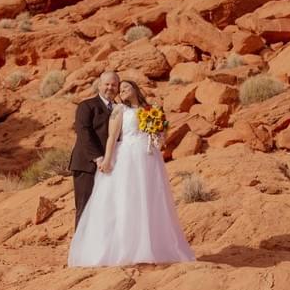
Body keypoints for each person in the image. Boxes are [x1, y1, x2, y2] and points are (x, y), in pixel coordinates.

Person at [67, 80, 195, 267]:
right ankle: (123, 249)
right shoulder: (119, 110)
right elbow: (112, 136)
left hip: (148, 158)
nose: (122, 91)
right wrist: (107, 159)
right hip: (127, 156)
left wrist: (159, 135)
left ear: (135, 89)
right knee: (126, 198)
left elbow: (159, 135)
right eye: (121, 89)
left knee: (149, 198)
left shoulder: (150, 109)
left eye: (126, 87)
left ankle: (151, 246)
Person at [69, 70, 119, 228]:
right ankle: (80, 251)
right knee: (85, 209)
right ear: (99, 85)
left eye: (114, 85)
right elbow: (84, 133)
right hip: (87, 166)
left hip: (110, 167)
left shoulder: (119, 109)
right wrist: (98, 158)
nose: (110, 87)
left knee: (106, 210)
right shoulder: (87, 106)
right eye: (107, 84)